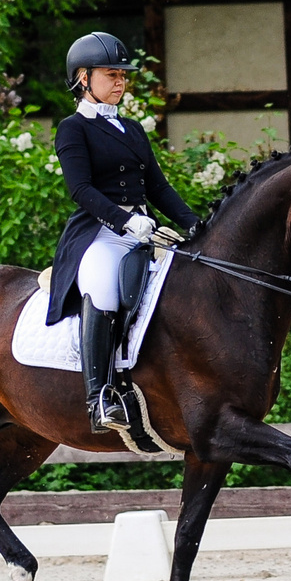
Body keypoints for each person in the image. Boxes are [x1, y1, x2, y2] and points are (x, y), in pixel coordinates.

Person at [46, 32, 198, 434]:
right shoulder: (72, 129)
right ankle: (99, 398)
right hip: (99, 235)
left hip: (144, 232)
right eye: (111, 74)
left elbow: (159, 187)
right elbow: (80, 190)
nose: (120, 82)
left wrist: (196, 224)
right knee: (104, 287)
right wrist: (124, 219)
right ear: (83, 78)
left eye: (123, 76)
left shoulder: (132, 129)